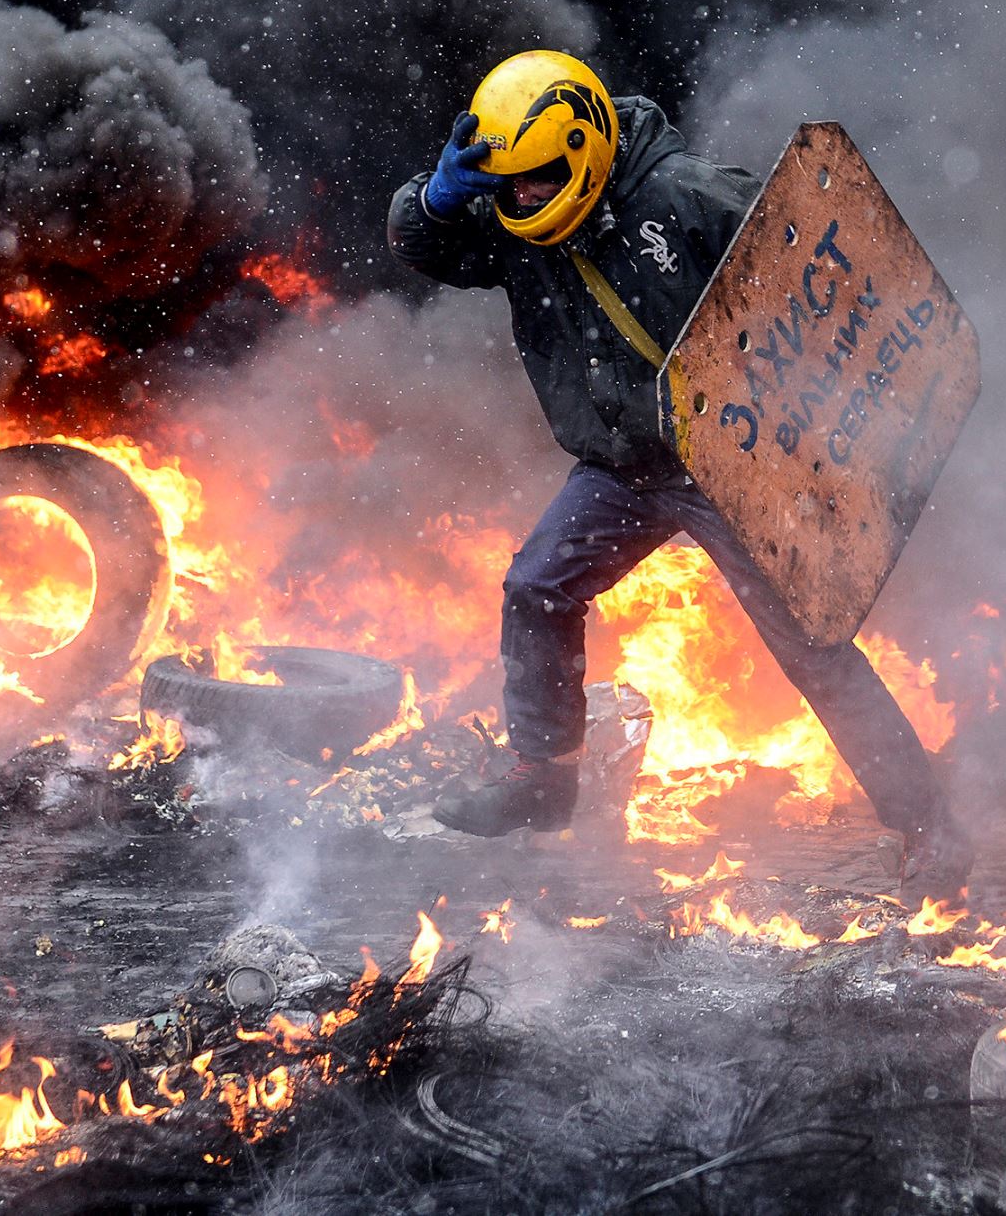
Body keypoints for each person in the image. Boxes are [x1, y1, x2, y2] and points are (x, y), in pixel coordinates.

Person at [388, 49, 971, 894]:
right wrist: (431, 203)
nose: (522, 198)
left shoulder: (689, 197)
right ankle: (545, 781)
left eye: (538, 180)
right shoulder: (511, 218)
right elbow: (426, 249)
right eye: (506, 185)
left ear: (582, 150)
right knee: (536, 587)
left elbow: (824, 283)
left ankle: (929, 829)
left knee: (814, 650)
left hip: (730, 463)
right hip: (624, 462)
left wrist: (839, 439)